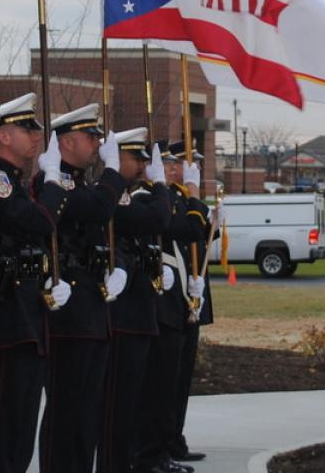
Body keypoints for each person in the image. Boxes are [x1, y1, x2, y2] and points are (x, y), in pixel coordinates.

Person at [0, 93, 73, 473]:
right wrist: (53, 181)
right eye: (27, 128)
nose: (36, 135)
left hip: (27, 316)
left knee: (22, 424)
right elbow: (37, 222)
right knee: (4, 425)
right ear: (3, 136)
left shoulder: (16, 182)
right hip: (5, 318)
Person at [37, 104, 127, 473]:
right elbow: (96, 210)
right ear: (67, 141)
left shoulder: (85, 184)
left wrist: (118, 266)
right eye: (90, 137)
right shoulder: (52, 183)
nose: (96, 144)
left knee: (88, 409)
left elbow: (107, 234)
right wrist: (114, 172)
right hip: (68, 314)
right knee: (66, 409)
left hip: (93, 309)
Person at [98, 129, 169, 473]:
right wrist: (161, 186)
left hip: (138, 314)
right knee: (116, 409)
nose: (143, 165)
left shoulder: (125, 195)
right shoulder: (115, 197)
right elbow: (160, 218)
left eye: (145, 159)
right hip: (121, 318)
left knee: (130, 406)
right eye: (136, 158)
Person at [137, 141, 211, 473]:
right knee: (158, 386)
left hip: (179, 296)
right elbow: (189, 227)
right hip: (159, 302)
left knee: (173, 382)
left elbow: (198, 233)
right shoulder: (147, 199)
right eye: (168, 163)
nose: (175, 168)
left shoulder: (170, 199)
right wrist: (194, 193)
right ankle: (153, 451)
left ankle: (166, 444)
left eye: (179, 164)